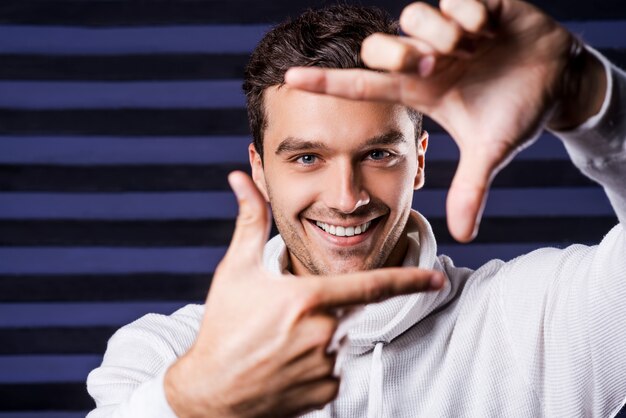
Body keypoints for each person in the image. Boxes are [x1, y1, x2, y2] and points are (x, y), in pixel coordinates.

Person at [87, 0, 626, 417]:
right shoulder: (168, 354)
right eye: (306, 157)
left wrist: (589, 98)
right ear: (259, 169)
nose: (347, 199)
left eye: (377, 154)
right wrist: (196, 401)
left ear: (417, 161)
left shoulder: (538, 322)